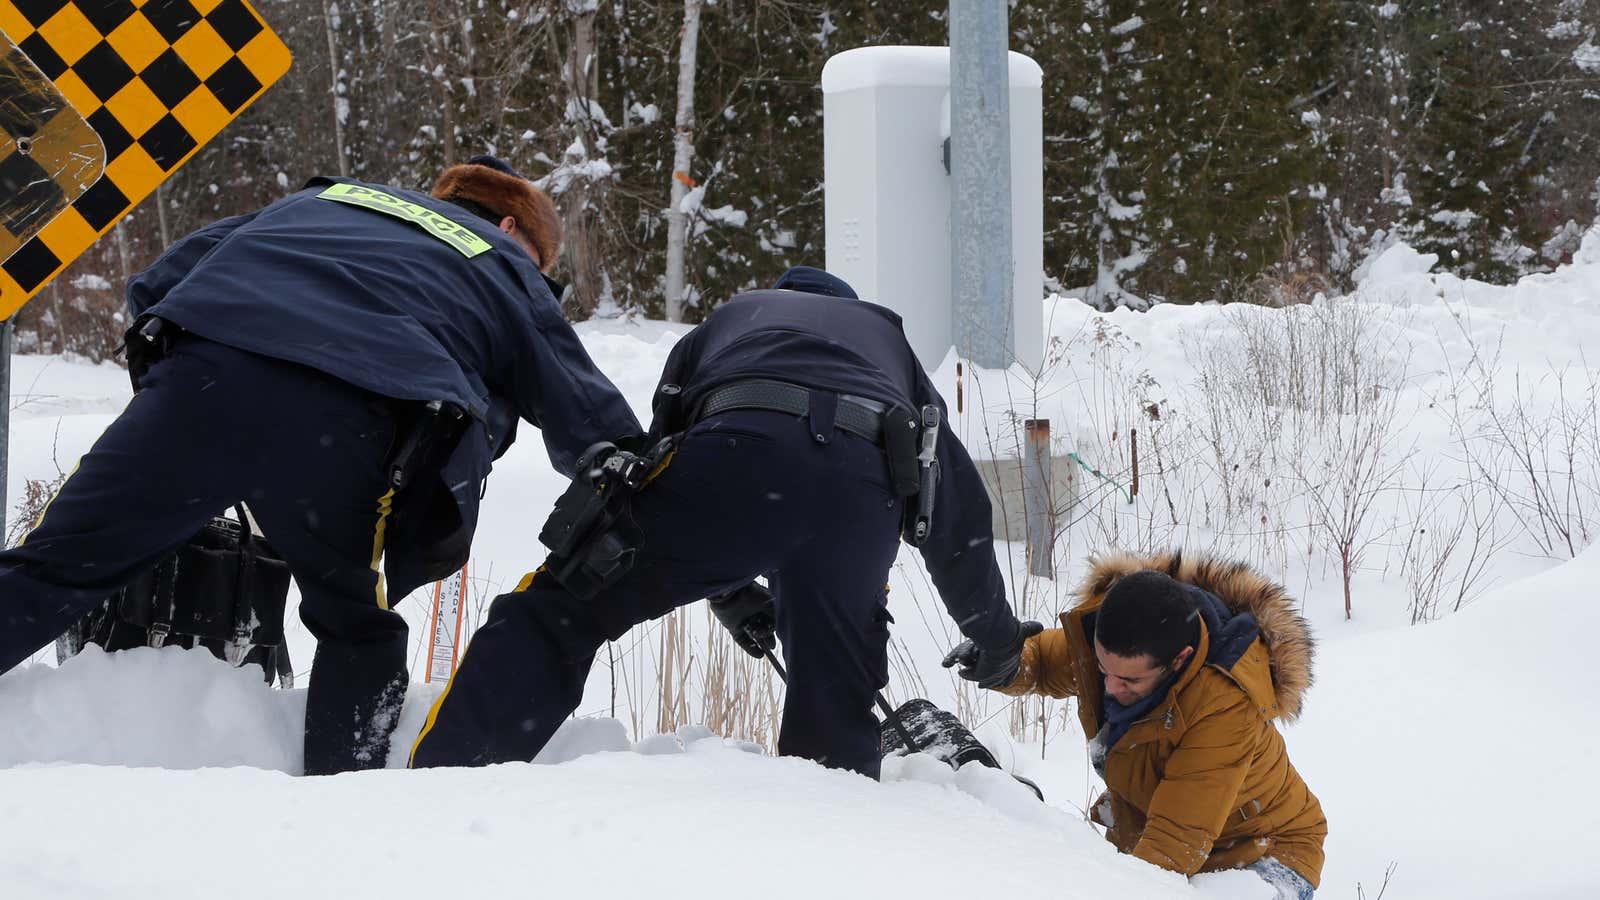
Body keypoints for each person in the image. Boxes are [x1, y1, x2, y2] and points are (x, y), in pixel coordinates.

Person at [0, 156, 641, 775]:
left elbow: (167, 276)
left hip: (208, 376)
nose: (540, 275)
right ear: (510, 226)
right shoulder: (501, 260)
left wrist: (176, 390)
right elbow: (585, 411)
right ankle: (343, 802)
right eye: (543, 262)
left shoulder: (328, 198)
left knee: (53, 567)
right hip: (347, 416)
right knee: (355, 625)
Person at [409, 266, 1033, 778]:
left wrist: (727, 587)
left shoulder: (732, 319)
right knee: (835, 697)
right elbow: (958, 520)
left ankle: (448, 781)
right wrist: (1000, 643)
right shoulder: (888, 343)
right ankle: (831, 850)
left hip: (736, 448)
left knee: (559, 613)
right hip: (858, 490)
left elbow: (661, 471)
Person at [945, 551, 1326, 898]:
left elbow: (1174, 843)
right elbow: (1047, 659)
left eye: (1128, 682)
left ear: (1180, 660)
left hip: (1264, 852)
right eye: (1102, 669)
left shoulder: (1224, 705)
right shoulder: (1121, 636)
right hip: (1157, 831)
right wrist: (1006, 663)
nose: (1109, 687)